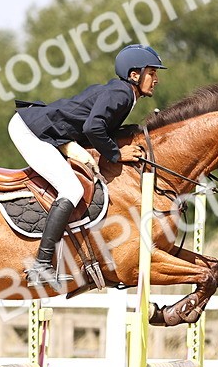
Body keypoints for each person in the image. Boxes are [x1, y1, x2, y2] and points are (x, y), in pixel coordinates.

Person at [9, 43, 166, 287]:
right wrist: (116, 155)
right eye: (152, 73)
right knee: (72, 190)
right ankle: (41, 264)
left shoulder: (124, 93)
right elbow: (93, 128)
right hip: (31, 131)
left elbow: (102, 128)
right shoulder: (122, 94)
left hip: (47, 132)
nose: (156, 79)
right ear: (135, 75)